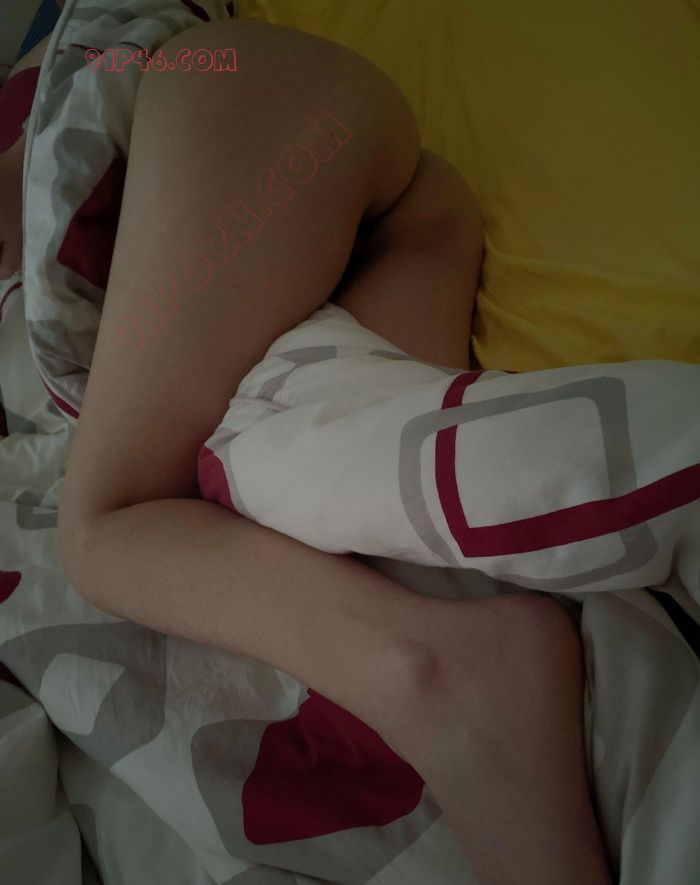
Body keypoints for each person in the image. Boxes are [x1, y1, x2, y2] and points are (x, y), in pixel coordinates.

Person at [3, 17, 612, 884]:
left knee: (102, 532)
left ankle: (450, 672)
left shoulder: (66, 90)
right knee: (327, 530)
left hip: (236, 100)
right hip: (408, 221)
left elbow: (100, 74)